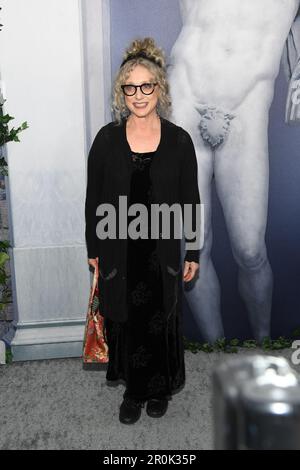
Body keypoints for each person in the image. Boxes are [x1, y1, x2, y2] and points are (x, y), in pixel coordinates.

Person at [168, 0, 300, 343]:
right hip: (185, 94)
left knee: (250, 249)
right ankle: (216, 351)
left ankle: (261, 347)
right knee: (193, 245)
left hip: (247, 106)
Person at [85, 37, 201, 424]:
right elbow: (94, 198)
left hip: (163, 250)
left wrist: (195, 252)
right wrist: (94, 248)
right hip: (119, 248)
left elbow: (191, 201)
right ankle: (134, 393)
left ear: (159, 88)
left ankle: (159, 388)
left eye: (146, 85)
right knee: (127, 320)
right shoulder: (105, 140)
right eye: (130, 87)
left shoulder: (180, 141)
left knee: (160, 319)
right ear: (122, 92)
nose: (138, 95)